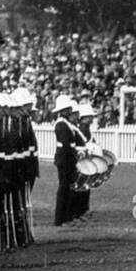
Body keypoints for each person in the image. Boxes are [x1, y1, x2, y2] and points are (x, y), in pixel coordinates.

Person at [51, 95, 79, 227]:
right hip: (65, 159)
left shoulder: (64, 123)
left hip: (67, 158)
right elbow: (67, 144)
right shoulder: (61, 124)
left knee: (67, 188)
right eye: (67, 109)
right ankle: (60, 219)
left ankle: (66, 217)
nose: (70, 111)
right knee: (64, 189)